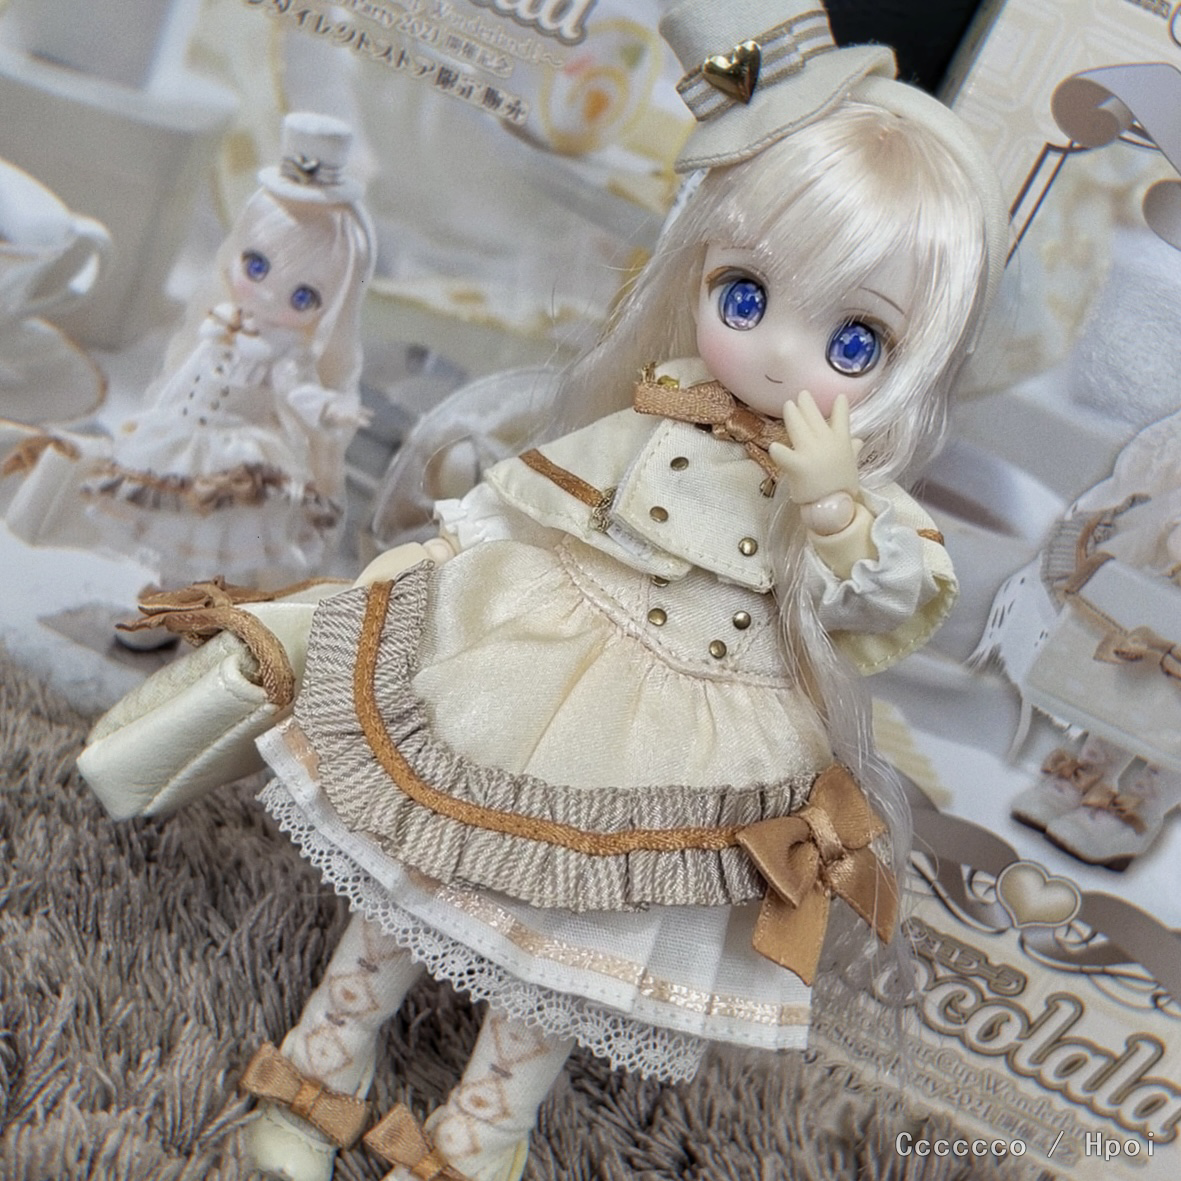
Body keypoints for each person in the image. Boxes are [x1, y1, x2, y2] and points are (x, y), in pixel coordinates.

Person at [80, 3, 1008, 1178]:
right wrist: (434, 564)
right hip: (541, 659)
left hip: (695, 735)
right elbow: (531, 501)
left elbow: (885, 598)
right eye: (743, 296)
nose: (777, 353)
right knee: (417, 858)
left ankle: (482, 1131)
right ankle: (324, 1057)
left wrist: (829, 501)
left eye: (853, 343)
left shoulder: (853, 505)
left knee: (571, 947)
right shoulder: (656, 409)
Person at [4, 112, 374, 587]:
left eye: (303, 297)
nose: (267, 293)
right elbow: (186, 373)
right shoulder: (220, 323)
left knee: (211, 532)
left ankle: (186, 598)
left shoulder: (284, 352)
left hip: (230, 451)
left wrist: (328, 408)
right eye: (255, 266)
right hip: (177, 435)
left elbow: (296, 390)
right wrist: (153, 415)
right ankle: (168, 590)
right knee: (163, 521)